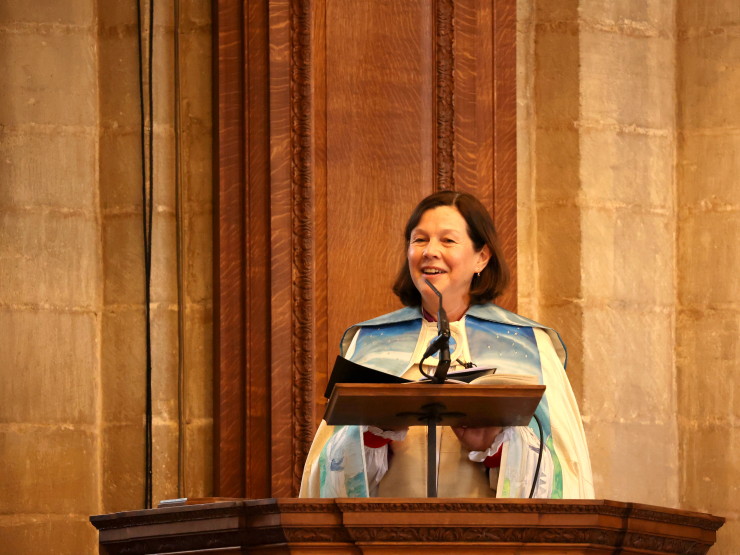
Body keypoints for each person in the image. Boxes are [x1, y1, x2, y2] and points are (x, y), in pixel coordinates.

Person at [299, 191, 594, 499]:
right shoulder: (370, 344)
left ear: (482, 256)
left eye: (448, 241)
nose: (430, 251)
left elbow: (563, 475)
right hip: (387, 539)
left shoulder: (531, 346)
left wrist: (494, 446)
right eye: (420, 240)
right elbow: (324, 480)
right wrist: (372, 436)